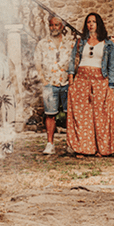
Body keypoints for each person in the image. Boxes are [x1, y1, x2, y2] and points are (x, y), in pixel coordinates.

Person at [66, 13, 114, 157]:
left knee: (100, 115)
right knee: (82, 115)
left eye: (94, 22)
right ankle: (83, 148)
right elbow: (73, 60)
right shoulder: (80, 41)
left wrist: (111, 85)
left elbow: (112, 65)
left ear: (99, 24)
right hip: (81, 80)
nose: (91, 24)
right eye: (88, 22)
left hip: (100, 81)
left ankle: (100, 148)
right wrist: (71, 79)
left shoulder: (107, 43)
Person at [34, 17, 73, 155]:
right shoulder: (42, 44)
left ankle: (71, 143)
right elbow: (38, 63)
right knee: (50, 114)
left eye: (57, 25)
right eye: (51, 25)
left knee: (70, 114)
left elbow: (75, 61)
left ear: (62, 26)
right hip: (50, 82)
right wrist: (43, 80)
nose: (54, 27)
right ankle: (50, 144)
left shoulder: (69, 43)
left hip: (67, 82)